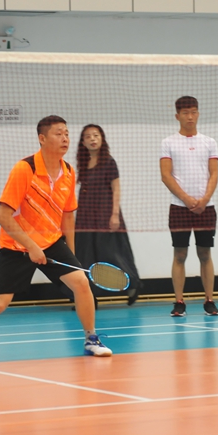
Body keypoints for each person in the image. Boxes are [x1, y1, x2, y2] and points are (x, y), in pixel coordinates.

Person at [0, 115, 112, 362]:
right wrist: (31, 247)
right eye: (58, 133)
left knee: (81, 283)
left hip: (51, 241)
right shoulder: (25, 169)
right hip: (17, 245)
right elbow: (3, 216)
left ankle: (91, 339)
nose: (65, 138)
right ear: (42, 138)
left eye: (67, 133)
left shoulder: (68, 171)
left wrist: (72, 255)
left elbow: (68, 216)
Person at [160, 96, 218, 317]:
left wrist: (204, 199)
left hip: (206, 207)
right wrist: (185, 198)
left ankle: (209, 301)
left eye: (193, 112)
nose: (190, 117)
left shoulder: (209, 142)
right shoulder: (168, 142)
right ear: (177, 116)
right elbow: (166, 175)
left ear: (198, 114)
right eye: (185, 113)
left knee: (205, 253)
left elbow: (214, 173)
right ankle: (179, 302)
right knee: (180, 254)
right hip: (179, 207)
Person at [74, 124, 143, 306]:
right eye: (88, 136)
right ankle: (88, 296)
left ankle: (133, 285)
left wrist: (115, 215)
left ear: (102, 139)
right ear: (83, 142)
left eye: (96, 135)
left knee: (113, 253)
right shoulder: (83, 163)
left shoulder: (109, 162)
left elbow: (116, 189)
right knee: (85, 254)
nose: (92, 139)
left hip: (105, 214)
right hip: (86, 216)